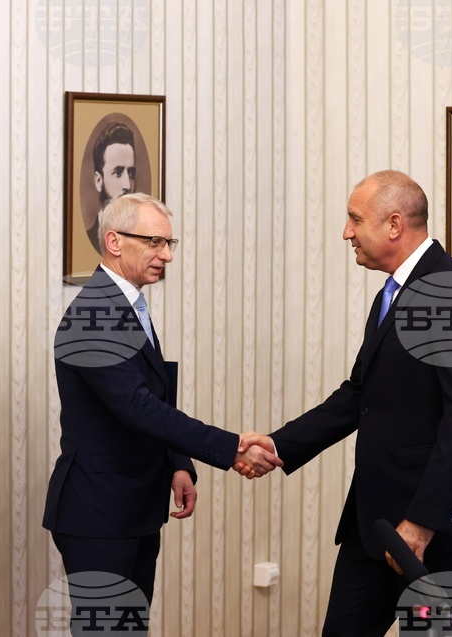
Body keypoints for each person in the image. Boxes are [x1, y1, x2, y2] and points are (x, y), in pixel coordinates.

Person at [242, 171, 452, 636]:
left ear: (394, 224)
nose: (347, 232)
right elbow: (360, 394)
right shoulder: (395, 289)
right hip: (375, 519)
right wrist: (279, 444)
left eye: (355, 219)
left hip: (429, 526)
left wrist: (421, 522)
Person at [45, 192, 281, 630]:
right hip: (99, 513)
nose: (167, 255)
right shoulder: (93, 315)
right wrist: (232, 447)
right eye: (154, 242)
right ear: (114, 242)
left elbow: (153, 396)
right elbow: (138, 408)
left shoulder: (125, 303)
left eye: (169, 243)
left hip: (134, 505)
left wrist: (178, 463)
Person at [84, 121, 137, 253]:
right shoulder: (89, 240)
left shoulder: (143, 241)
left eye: (131, 173)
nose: (127, 185)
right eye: (118, 173)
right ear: (99, 180)